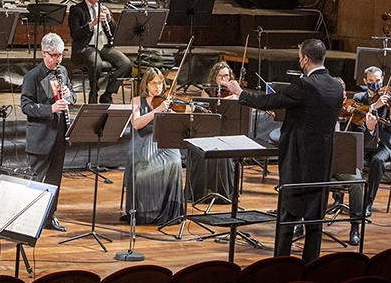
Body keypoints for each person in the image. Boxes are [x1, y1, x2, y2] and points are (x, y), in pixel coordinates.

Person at [237, 38, 343, 262]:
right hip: (323, 159)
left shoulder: (305, 85)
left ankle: (281, 263)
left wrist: (240, 93)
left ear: (304, 59)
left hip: (298, 157)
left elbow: (269, 101)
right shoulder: (336, 86)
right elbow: (312, 113)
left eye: (299, 56)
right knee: (314, 219)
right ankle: (310, 264)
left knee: (288, 213)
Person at [339, 67, 391, 246]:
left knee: (377, 161)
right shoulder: (359, 99)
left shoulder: (390, 99)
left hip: (383, 145)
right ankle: (340, 196)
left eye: (378, 80)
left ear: (383, 79)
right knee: (350, 159)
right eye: (371, 81)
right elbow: (355, 126)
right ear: (365, 81)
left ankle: (368, 202)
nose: (375, 84)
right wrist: (374, 107)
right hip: (365, 142)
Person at [21, 32, 75, 232]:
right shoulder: (33, 76)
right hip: (41, 136)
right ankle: (28, 217)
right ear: (44, 53)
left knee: (55, 179)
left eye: (60, 55)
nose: (57, 59)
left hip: (60, 134)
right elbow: (26, 106)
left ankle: (49, 216)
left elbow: (72, 95)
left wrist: (70, 95)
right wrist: (50, 109)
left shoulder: (63, 72)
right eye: (53, 55)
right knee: (35, 179)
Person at [124, 67, 187, 226]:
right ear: (146, 84)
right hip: (143, 139)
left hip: (164, 140)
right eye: (153, 83)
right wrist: (158, 110)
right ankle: (146, 210)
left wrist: (171, 115)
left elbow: (177, 125)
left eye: (160, 83)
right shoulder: (137, 101)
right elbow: (137, 124)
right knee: (143, 167)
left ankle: (168, 209)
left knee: (175, 163)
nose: (158, 87)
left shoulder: (168, 101)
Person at [68, 0, 132, 104]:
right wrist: (93, 23)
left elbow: (115, 32)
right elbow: (75, 34)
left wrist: (109, 19)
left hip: (103, 46)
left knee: (126, 63)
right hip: (86, 46)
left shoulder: (103, 8)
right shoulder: (76, 10)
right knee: (96, 64)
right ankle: (93, 93)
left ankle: (108, 94)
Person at [184, 62, 239, 204]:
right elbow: (208, 111)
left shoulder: (235, 91)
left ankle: (222, 190)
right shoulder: (207, 91)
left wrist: (236, 97)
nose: (223, 79)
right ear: (214, 77)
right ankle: (201, 190)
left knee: (225, 154)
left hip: (226, 132)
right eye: (220, 76)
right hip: (208, 131)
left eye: (226, 76)